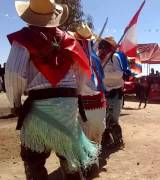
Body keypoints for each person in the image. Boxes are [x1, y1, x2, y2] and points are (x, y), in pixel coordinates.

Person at [5, 0, 99, 179]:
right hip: (68, 107)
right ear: (54, 15)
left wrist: (16, 102)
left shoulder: (24, 39)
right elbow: (82, 73)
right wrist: (74, 95)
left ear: (29, 15)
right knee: (70, 155)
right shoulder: (70, 40)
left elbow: (13, 73)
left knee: (33, 157)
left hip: (40, 106)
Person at [98, 36, 132, 147]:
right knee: (104, 118)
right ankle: (106, 140)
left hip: (115, 92)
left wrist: (103, 75)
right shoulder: (100, 58)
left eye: (104, 45)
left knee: (114, 118)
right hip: (104, 92)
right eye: (101, 45)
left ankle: (118, 141)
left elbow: (119, 74)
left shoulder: (114, 57)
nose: (102, 47)